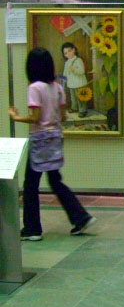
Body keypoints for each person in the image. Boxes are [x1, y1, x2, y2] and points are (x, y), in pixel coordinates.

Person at [8, 47, 97, 241]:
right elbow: (62, 115)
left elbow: (35, 118)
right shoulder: (57, 87)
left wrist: (15, 117)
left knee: (30, 184)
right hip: (55, 137)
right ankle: (80, 217)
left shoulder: (34, 88)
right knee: (55, 180)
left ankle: (32, 228)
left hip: (39, 139)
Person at [61, 42, 88, 118]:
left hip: (80, 83)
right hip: (71, 84)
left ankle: (82, 110)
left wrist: (74, 70)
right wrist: (63, 80)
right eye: (65, 53)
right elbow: (65, 73)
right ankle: (74, 107)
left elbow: (82, 71)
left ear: (74, 50)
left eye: (69, 51)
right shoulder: (67, 62)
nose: (68, 54)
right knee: (73, 97)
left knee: (81, 98)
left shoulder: (78, 60)